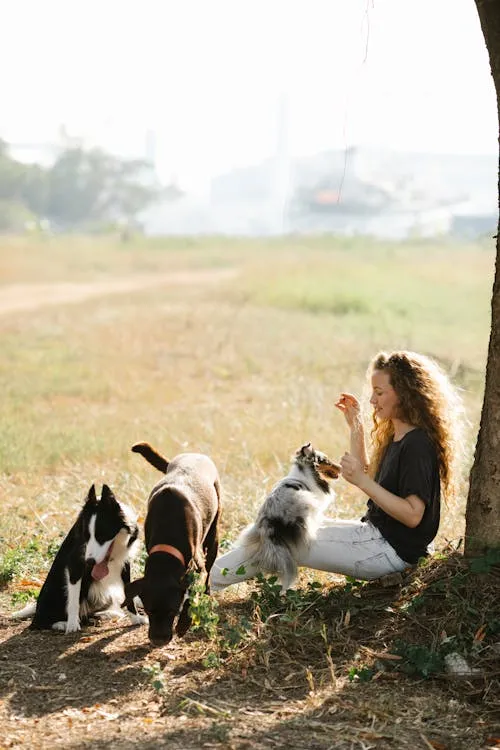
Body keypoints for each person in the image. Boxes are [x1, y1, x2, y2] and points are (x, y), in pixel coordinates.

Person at [210, 350, 465, 591]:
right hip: (375, 537)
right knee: (285, 528)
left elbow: (412, 515)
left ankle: (198, 588)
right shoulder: (399, 435)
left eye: (379, 392)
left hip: (389, 551)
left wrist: (363, 482)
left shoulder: (417, 445)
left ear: (405, 394)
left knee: (281, 541)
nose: (372, 400)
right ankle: (202, 579)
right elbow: (375, 479)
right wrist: (356, 426)